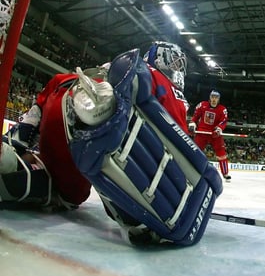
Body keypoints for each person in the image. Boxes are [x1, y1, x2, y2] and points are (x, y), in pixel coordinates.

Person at [0, 41, 190, 209]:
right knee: (72, 193)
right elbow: (181, 144)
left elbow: (49, 94)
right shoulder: (165, 84)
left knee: (42, 154)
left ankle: (12, 153)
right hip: (87, 141)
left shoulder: (121, 65)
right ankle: (27, 182)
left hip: (65, 91)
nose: (177, 67)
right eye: (175, 62)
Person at [189, 89, 231, 181]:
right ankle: (191, 169)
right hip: (202, 133)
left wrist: (219, 128)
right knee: (196, 151)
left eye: (216, 97)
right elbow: (195, 116)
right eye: (212, 97)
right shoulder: (202, 105)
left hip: (215, 133)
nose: (214, 99)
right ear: (209, 97)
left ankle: (225, 173)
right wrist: (192, 124)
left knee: (221, 154)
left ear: (219, 99)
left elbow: (224, 121)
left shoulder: (222, 109)